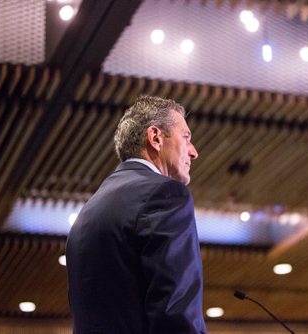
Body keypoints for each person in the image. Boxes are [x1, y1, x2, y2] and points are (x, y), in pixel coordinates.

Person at [66, 95, 207, 333]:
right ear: (155, 138)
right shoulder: (165, 194)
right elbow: (176, 314)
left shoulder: (88, 212)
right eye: (186, 138)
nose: (194, 152)